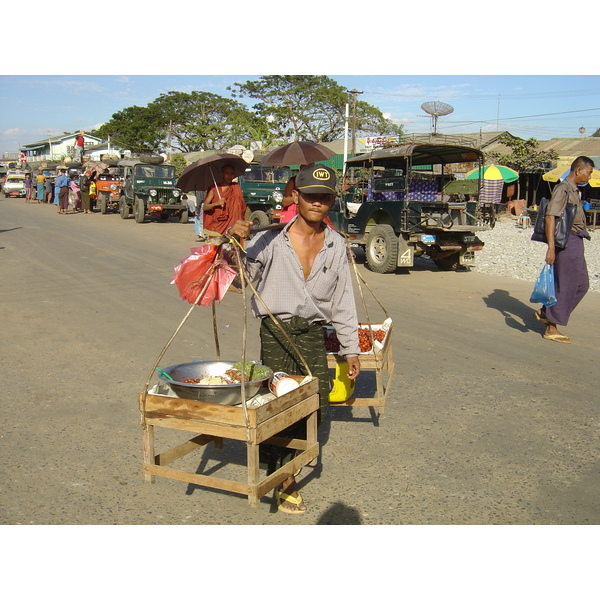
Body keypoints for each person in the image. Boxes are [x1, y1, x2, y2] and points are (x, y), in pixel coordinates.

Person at [228, 165, 361, 514]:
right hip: (276, 331)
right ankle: (283, 479)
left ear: (332, 201)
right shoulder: (269, 239)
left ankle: (286, 460)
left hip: (313, 334)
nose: (317, 203)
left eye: (325, 197)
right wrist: (234, 244)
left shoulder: (336, 244)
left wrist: (350, 350)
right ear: (297, 198)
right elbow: (239, 281)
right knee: (278, 406)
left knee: (314, 404)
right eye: (311, 196)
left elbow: (344, 301)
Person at [534, 156, 595, 343]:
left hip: (576, 240)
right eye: (589, 172)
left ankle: (547, 312)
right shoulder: (563, 189)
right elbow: (550, 217)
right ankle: (551, 326)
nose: (589, 177)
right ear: (578, 170)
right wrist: (551, 248)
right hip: (567, 242)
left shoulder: (574, 190)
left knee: (581, 285)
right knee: (567, 285)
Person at [203, 164, 247, 235]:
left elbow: (242, 206)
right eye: (227, 173)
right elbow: (205, 207)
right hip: (218, 225)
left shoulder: (236, 187)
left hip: (233, 225)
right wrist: (216, 204)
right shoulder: (214, 189)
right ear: (222, 174)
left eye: (232, 173)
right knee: (217, 245)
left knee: (233, 245)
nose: (230, 176)